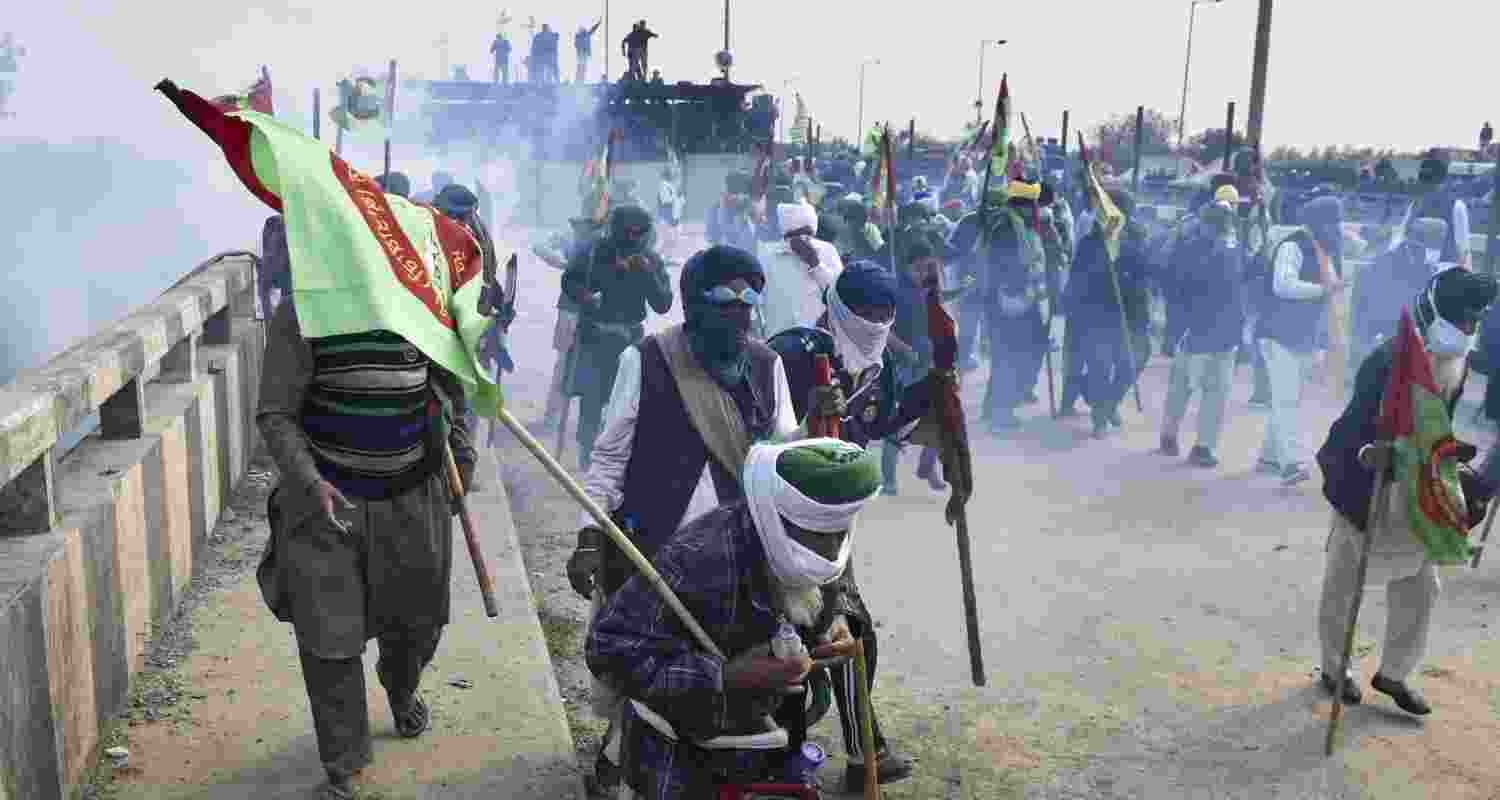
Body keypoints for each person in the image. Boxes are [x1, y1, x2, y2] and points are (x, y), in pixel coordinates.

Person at [566, 245, 803, 792]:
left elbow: (786, 461)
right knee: (646, 669)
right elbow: (610, 457)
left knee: (725, 675)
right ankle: (627, 751)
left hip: (735, 563)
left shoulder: (768, 367)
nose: (742, 309)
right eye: (727, 298)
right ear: (695, 303)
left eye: (750, 298)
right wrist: (588, 536)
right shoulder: (646, 359)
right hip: (654, 554)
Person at [255, 301, 476, 800]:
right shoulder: (304, 310)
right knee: (328, 639)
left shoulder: (422, 300)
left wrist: (463, 457)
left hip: (413, 496)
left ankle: (400, 688)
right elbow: (276, 412)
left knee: (417, 626)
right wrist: (309, 482)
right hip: (325, 504)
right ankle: (345, 764)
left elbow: (453, 390)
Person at [588, 438, 884, 800]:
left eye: (838, 535)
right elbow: (608, 648)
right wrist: (727, 676)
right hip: (682, 751)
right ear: (776, 519)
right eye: (817, 537)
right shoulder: (699, 558)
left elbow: (834, 586)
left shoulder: (830, 536)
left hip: (772, 735)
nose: (829, 548)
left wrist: (833, 621)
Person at [1315, 268, 1498, 714]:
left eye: (1475, 324)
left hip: (1416, 486)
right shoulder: (1386, 361)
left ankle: (1393, 672)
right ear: (1434, 312)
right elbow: (1353, 428)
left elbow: (1435, 428)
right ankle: (1334, 668)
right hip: (1366, 486)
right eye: (1461, 323)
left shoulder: (1454, 364)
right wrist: (1368, 455)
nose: (1468, 333)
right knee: (1345, 580)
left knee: (1422, 587)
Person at [561, 205, 674, 470]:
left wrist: (647, 274)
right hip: (596, 336)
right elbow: (570, 282)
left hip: (631, 340)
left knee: (628, 400)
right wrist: (587, 296)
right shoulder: (592, 252)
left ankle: (621, 454)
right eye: (628, 233)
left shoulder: (650, 259)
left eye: (639, 234)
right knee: (592, 399)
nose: (633, 239)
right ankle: (587, 452)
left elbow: (663, 303)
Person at [1254, 195, 1346, 485]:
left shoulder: (1324, 248)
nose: (1337, 228)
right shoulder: (1293, 245)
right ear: (1319, 223)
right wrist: (1323, 289)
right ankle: (1290, 463)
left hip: (1302, 336)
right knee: (1286, 399)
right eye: (1333, 222)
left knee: (1287, 397)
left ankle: (1269, 456)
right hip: (1276, 333)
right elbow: (1283, 285)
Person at [1157, 187, 1246, 467]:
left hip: (1220, 331)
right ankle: (1174, 437)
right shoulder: (1195, 248)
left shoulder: (1230, 249)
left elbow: (1241, 282)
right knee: (1188, 388)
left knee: (1209, 391)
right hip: (1197, 331)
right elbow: (1179, 286)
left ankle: (1199, 445)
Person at [1065, 187, 1152, 439]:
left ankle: (1108, 402)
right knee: (1100, 367)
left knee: (1134, 361)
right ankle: (1100, 418)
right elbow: (1079, 278)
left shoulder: (1136, 238)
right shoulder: (1090, 243)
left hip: (1131, 314)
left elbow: (1145, 274)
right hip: (1098, 316)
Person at [1352, 218, 1448, 371]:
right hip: (1380, 328)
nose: (1438, 250)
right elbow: (1374, 311)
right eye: (1436, 244)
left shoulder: (1425, 264)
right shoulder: (1388, 263)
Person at [759, 201, 845, 339]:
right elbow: (758, 300)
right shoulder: (768, 255)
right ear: (785, 235)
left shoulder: (827, 250)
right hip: (779, 340)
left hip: (820, 339)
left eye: (807, 234)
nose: (802, 240)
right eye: (795, 235)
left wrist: (815, 263)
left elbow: (840, 295)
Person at [1404, 151, 1471, 270]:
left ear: (1442, 182)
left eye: (1431, 181)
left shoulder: (1456, 206)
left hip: (1446, 272)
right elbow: (1403, 239)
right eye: (1425, 181)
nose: (1427, 185)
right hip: (1417, 272)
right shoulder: (1414, 205)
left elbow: (1463, 249)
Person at [706, 171, 758, 252]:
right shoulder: (716, 209)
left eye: (745, 193)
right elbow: (721, 237)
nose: (741, 197)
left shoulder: (749, 207)